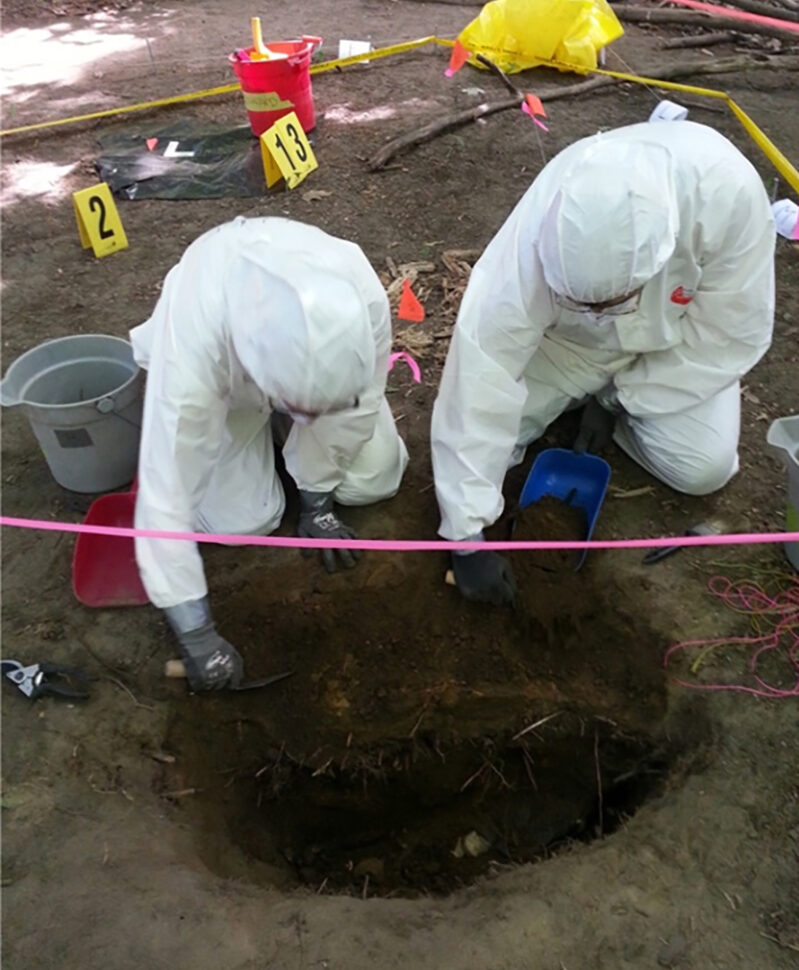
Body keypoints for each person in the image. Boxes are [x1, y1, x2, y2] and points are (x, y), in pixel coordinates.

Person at [431, 120, 775, 606]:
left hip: (674, 346)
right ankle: (579, 395)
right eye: (586, 300)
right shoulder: (538, 231)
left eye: (613, 299)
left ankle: (603, 404)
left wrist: (621, 398)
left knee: (704, 467)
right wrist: (466, 538)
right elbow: (483, 371)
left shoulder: (727, 194)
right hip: (570, 345)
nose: (601, 309)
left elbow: (725, 334)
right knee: (493, 434)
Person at [131, 216, 408, 689]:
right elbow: (167, 493)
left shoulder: (360, 299)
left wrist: (318, 501)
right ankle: (269, 431)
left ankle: (297, 444)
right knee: (242, 524)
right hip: (228, 392)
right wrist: (196, 635)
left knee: (374, 478)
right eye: (300, 409)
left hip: (312, 385)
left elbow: (355, 411)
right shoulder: (194, 349)